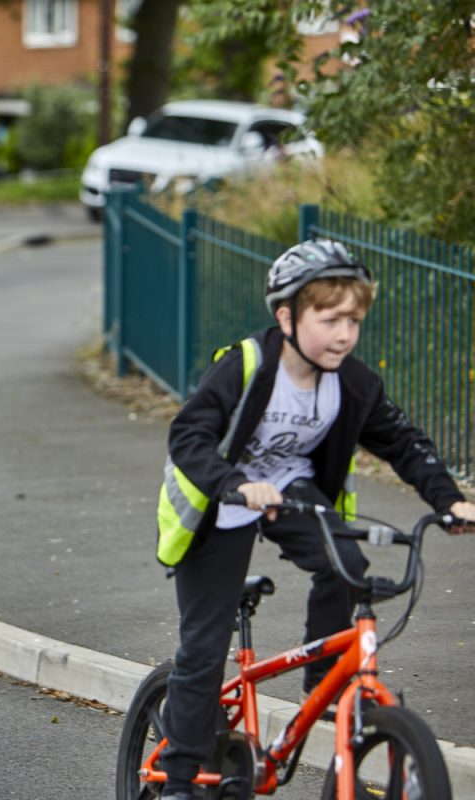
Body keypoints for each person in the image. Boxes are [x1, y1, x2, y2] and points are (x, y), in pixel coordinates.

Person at [152, 238, 475, 799]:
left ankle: (323, 685)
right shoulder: (248, 366)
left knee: (347, 565)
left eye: (353, 319)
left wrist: (448, 500)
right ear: (287, 316)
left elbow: (403, 444)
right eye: (329, 319)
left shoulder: (352, 382)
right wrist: (232, 483)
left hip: (289, 492)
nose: (344, 334)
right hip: (219, 502)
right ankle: (179, 780)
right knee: (204, 649)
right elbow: (188, 435)